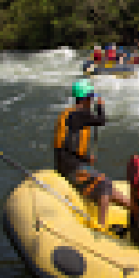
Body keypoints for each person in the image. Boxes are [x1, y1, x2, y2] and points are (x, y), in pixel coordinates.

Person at [53, 79, 131, 229]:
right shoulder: (80, 114)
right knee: (105, 185)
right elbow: (102, 120)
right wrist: (101, 107)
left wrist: (86, 158)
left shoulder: (70, 113)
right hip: (71, 168)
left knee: (113, 190)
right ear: (86, 98)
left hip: (68, 163)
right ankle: (102, 226)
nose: (91, 101)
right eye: (91, 98)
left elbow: (68, 146)